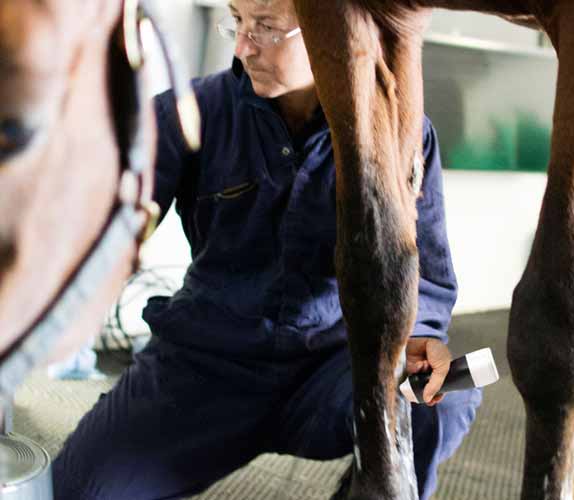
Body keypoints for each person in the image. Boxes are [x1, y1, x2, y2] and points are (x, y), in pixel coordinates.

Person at [53, 0, 481, 498]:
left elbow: (424, 271)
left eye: (266, 27)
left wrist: (422, 334)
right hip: (208, 365)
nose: (241, 46)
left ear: (329, 35)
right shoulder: (191, 112)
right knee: (74, 489)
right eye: (237, 21)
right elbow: (104, 222)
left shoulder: (403, 133)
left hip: (337, 369)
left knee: (457, 387)